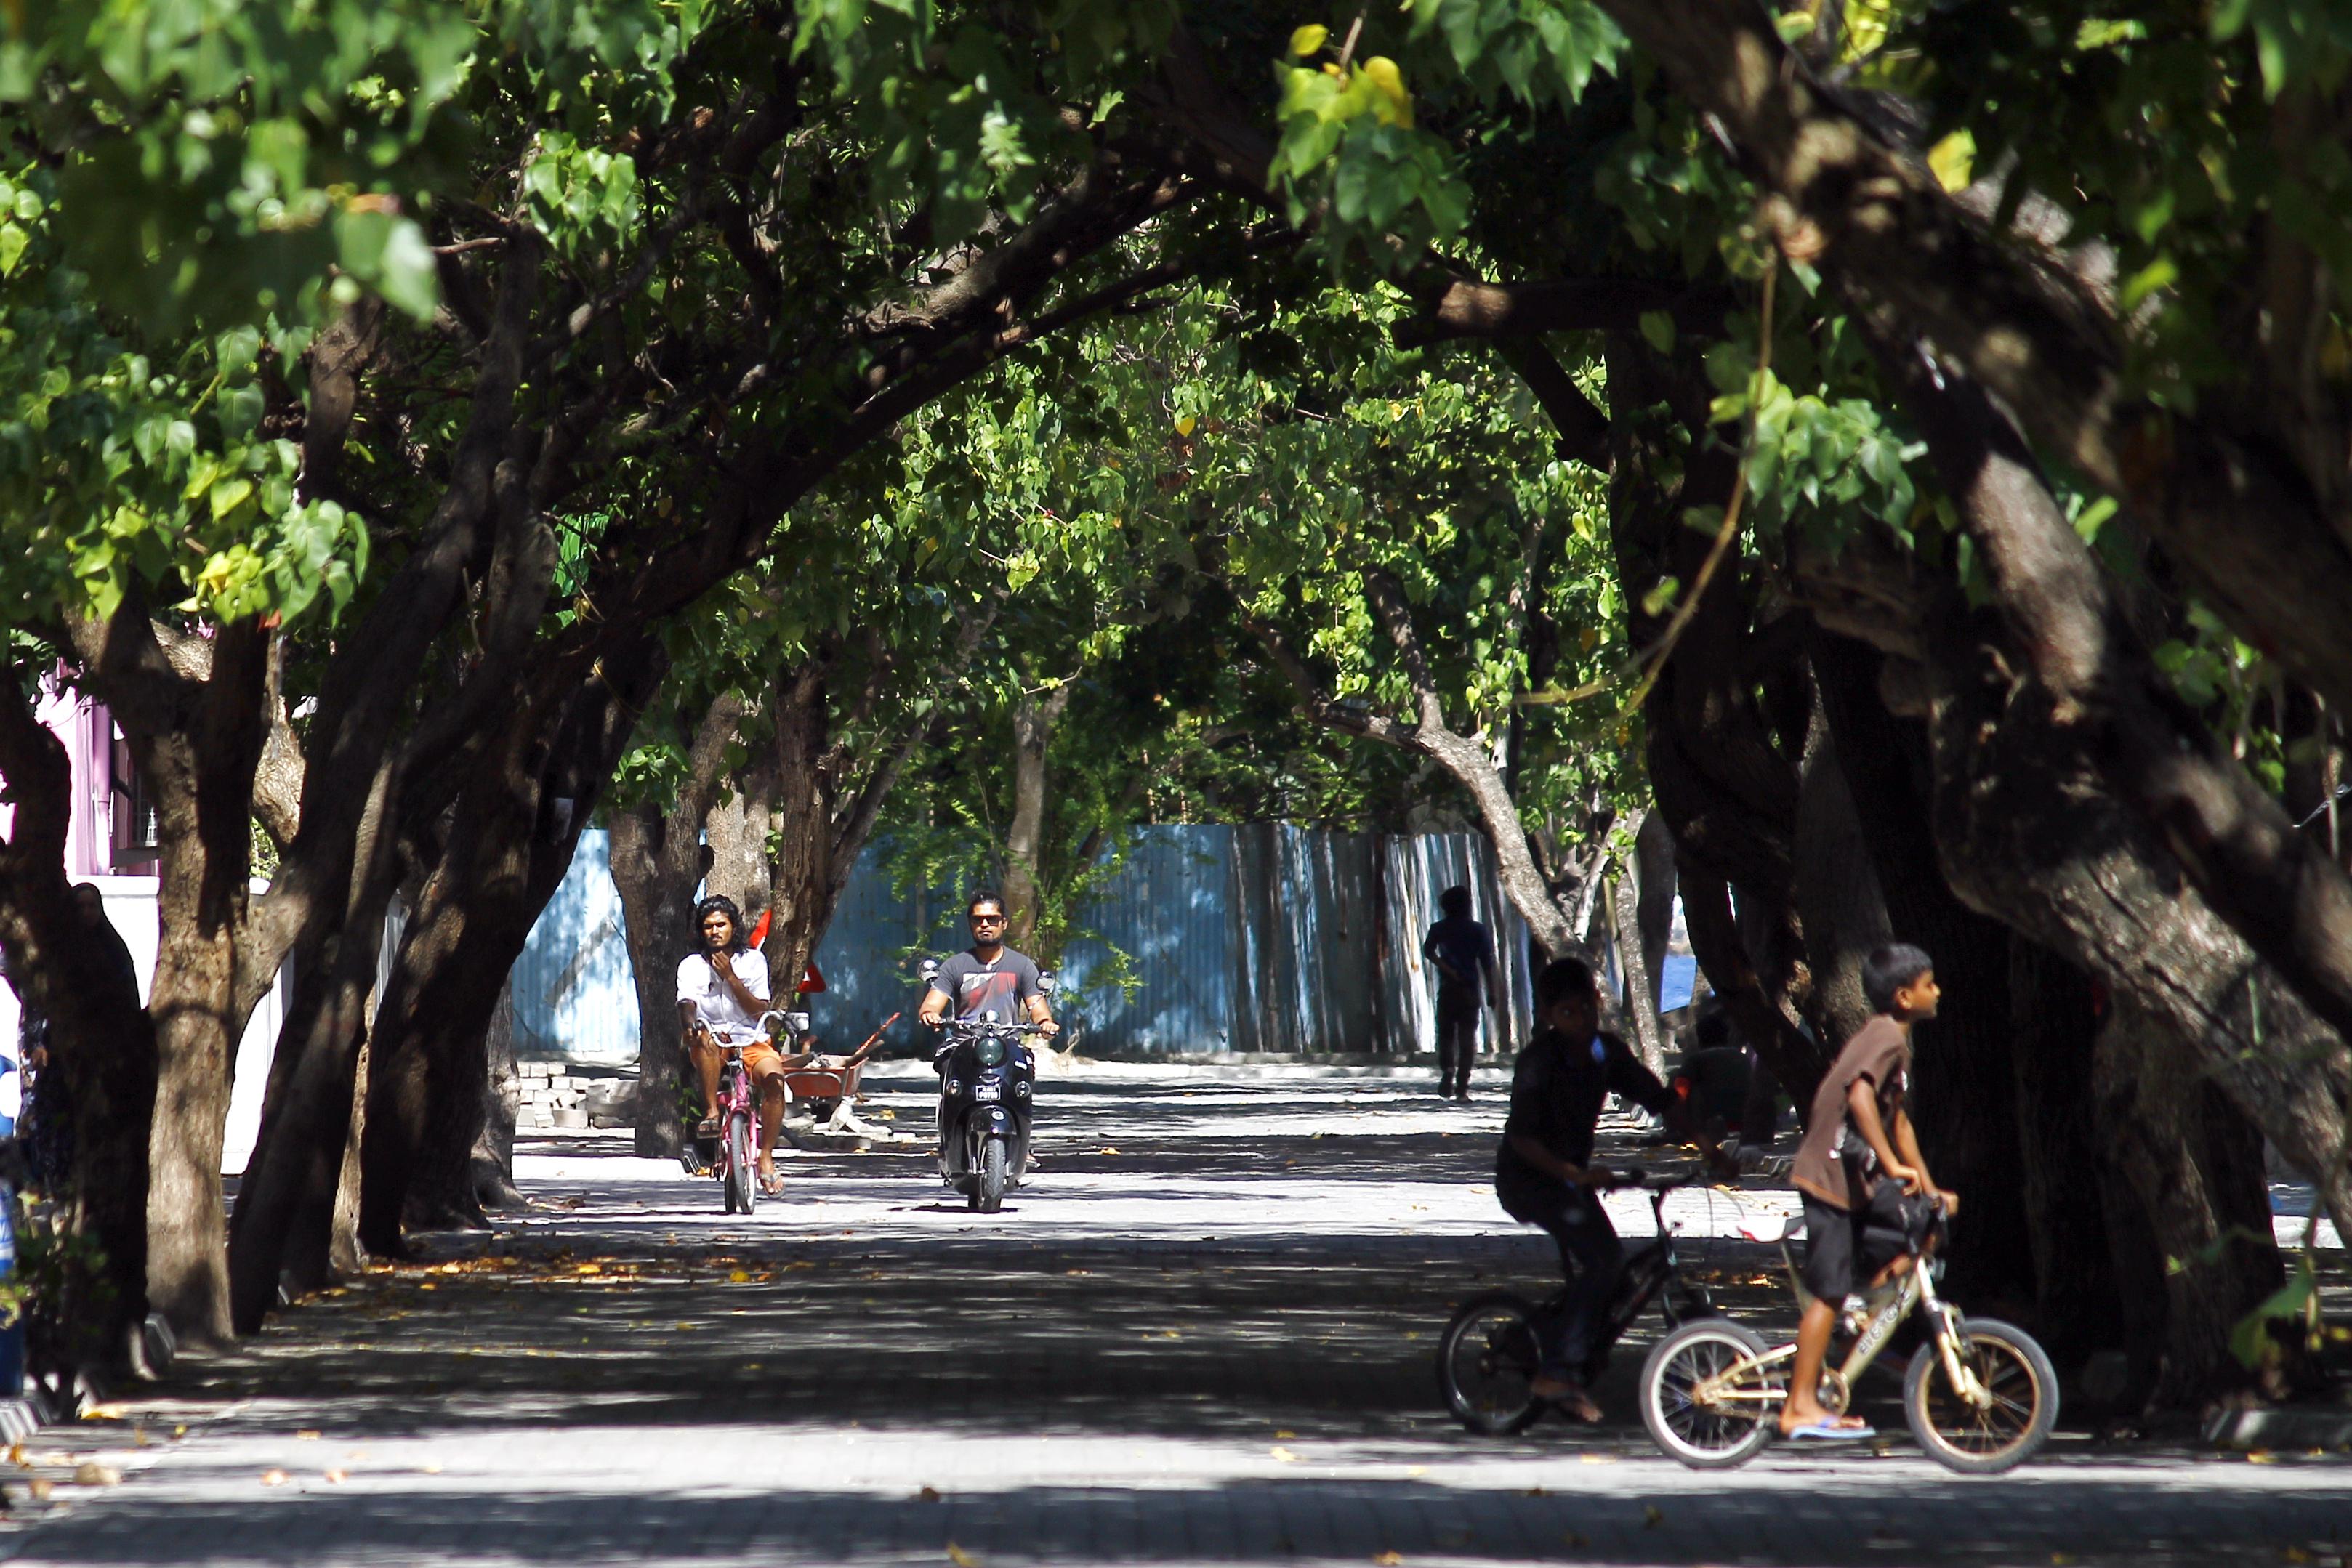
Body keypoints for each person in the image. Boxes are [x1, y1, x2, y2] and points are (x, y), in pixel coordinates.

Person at [1496, 955, 1717, 1423]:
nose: (1581, 1021)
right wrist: (1576, 1175)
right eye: (1567, 1014)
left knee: (1612, 1273)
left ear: (1597, 1004)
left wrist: (1708, 1149)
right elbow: (1522, 1139)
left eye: (1586, 1008)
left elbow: (1658, 1099)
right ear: (1549, 1018)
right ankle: (1557, 1371)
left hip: (1569, 1180)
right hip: (1529, 1180)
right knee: (1605, 1261)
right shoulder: (1538, 1062)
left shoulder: (1604, 1053)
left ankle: (1561, 1338)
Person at [1778, 942, 1957, 1441]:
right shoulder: (1885, 1037)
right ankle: (1799, 1406)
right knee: (1829, 1293)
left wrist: (1925, 1181)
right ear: (1904, 996)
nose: (1937, 992)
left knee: (1921, 1225)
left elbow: (1896, 1119)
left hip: (1853, 1180)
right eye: (1929, 985)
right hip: (1830, 1176)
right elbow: (1859, 1096)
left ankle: (1867, 1325)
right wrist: (1893, 1164)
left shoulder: (1894, 1040)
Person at [676, 895, 792, 1197]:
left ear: (734, 927)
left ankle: (765, 1156)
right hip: (712, 1039)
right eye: (708, 927)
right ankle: (713, 1113)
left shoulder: (753, 961)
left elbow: (758, 1010)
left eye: (721, 925)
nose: (715, 931)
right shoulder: (692, 965)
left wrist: (730, 977)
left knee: (775, 1083)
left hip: (751, 1039)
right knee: (704, 1039)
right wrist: (691, 1023)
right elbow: (686, 1002)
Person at [917, 892, 1060, 1043]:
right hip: (964, 1044)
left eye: (992, 919)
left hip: (1008, 1044)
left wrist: (1045, 1023)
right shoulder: (955, 965)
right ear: (970, 924)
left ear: (1004, 923)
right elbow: (932, 1003)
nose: (984, 924)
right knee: (944, 1062)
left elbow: (1038, 1007)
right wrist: (930, 1013)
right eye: (977, 920)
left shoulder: (1022, 965)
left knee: (1025, 1064)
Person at [1421, 886, 1497, 1101]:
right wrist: (1491, 991)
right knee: (1467, 1039)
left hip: (1448, 988)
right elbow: (1487, 963)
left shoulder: (1439, 928)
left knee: (1445, 1033)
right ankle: (1463, 1088)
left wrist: (1445, 968)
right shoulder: (1477, 930)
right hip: (1470, 990)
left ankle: (1448, 1069)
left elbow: (1428, 951)